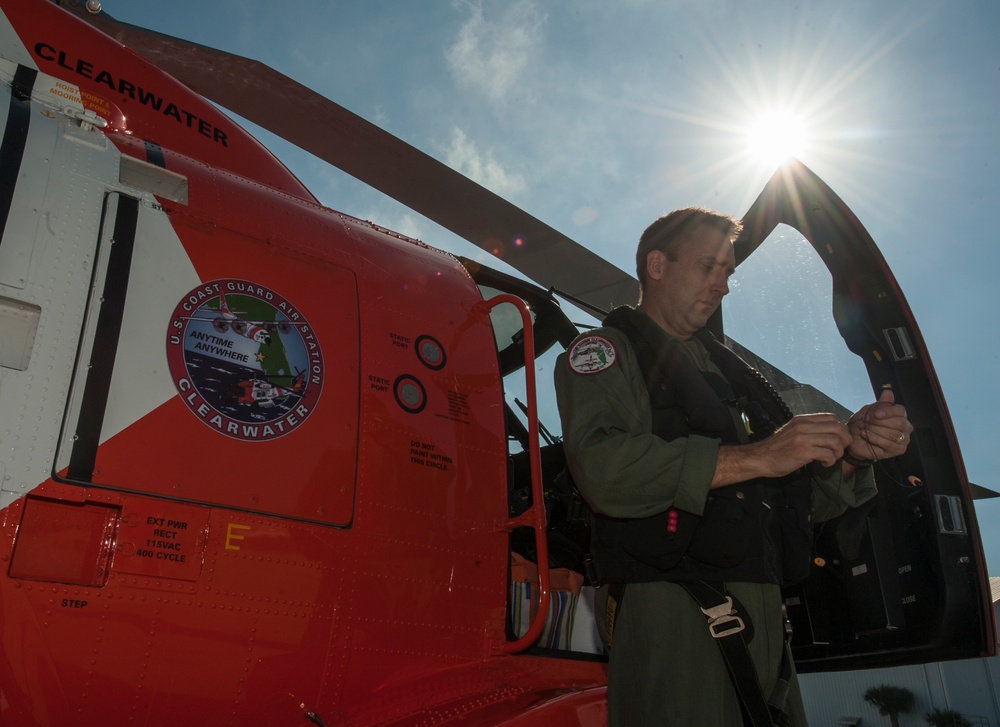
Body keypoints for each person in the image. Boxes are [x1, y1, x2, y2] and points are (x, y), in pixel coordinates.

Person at [553, 207, 913, 726]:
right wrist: (763, 454)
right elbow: (605, 470)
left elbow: (783, 502)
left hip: (765, 615)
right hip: (674, 607)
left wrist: (855, 453)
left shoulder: (726, 373)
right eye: (708, 267)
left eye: (729, 272)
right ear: (657, 265)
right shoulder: (605, 353)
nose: (723, 285)